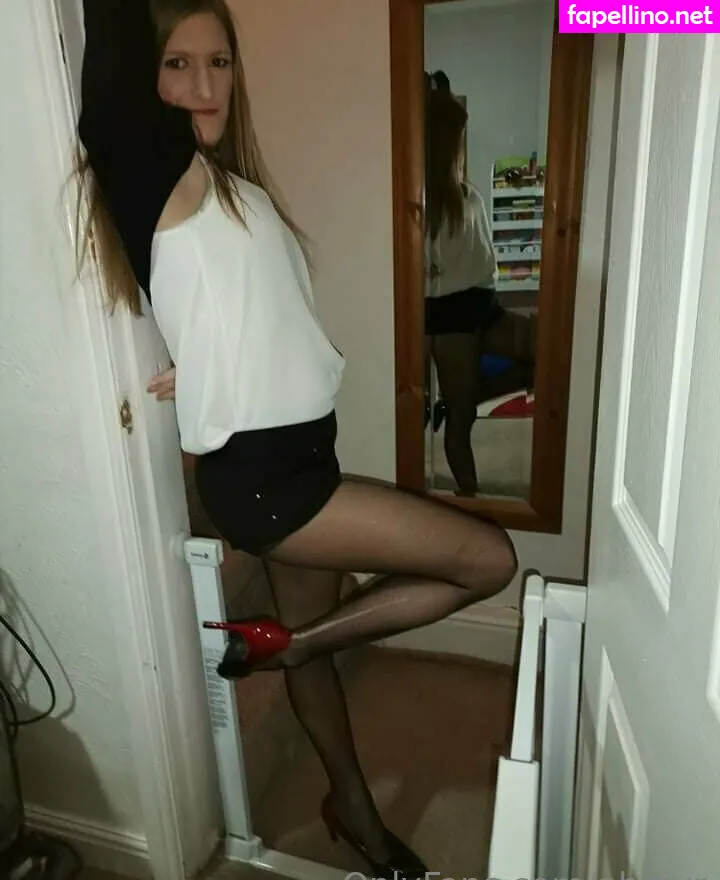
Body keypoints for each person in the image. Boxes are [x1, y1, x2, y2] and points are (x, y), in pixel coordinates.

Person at [75, 2, 518, 877]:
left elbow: (249, 305)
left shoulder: (229, 187)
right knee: (486, 561)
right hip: (264, 477)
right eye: (177, 64)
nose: (204, 85)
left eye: (219, 62)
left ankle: (353, 811)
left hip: (301, 450)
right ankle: (289, 645)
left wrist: (210, 361)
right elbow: (111, 70)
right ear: (146, 81)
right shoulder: (161, 172)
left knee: (315, 641)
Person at [424, 86, 537, 496]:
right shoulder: (426, 200)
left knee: (546, 354)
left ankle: (459, 398)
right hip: (450, 315)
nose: (461, 144)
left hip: (482, 306)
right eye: (457, 136)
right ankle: (469, 497)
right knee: (462, 418)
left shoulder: (464, 193)